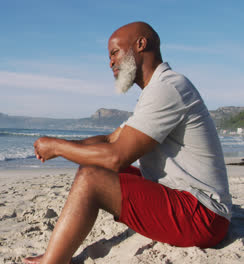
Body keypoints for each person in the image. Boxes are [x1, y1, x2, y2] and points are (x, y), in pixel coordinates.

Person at [23, 21, 232, 264]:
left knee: (92, 179)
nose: (110, 62)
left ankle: (53, 261)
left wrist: (57, 147)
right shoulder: (157, 89)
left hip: (204, 216)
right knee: (92, 168)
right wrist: (62, 144)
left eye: (115, 52)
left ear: (140, 44)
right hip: (188, 203)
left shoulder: (168, 87)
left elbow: (116, 156)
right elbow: (111, 139)